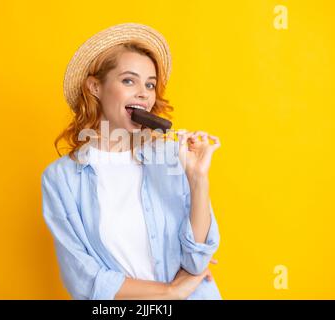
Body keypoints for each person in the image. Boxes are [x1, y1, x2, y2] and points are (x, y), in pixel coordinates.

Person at [41, 23, 222, 300]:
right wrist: (171, 292)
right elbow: (84, 280)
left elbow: (196, 262)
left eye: (150, 84)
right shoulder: (60, 179)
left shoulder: (172, 158)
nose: (144, 93)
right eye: (129, 81)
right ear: (95, 88)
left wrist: (198, 179)